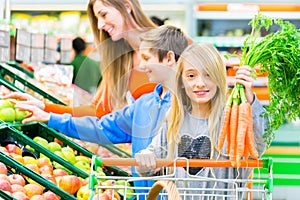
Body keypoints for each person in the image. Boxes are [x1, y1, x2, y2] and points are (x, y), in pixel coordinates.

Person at [13, 25, 189, 198]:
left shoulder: (191, 106)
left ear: (169, 58)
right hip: (145, 195)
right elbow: (102, 127)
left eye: (146, 58)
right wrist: (51, 118)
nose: (141, 66)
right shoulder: (144, 104)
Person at [134, 43, 269, 198]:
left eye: (208, 74)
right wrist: (144, 158)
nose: (200, 83)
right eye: (191, 76)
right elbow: (149, 167)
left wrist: (249, 97)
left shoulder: (234, 119)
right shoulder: (174, 121)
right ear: (181, 82)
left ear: (218, 78)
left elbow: (258, 145)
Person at [4, 0, 160, 118]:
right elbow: (98, 111)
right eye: (97, 18)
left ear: (127, 6)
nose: (99, 25)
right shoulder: (121, 61)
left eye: (104, 14)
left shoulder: (172, 45)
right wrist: (43, 107)